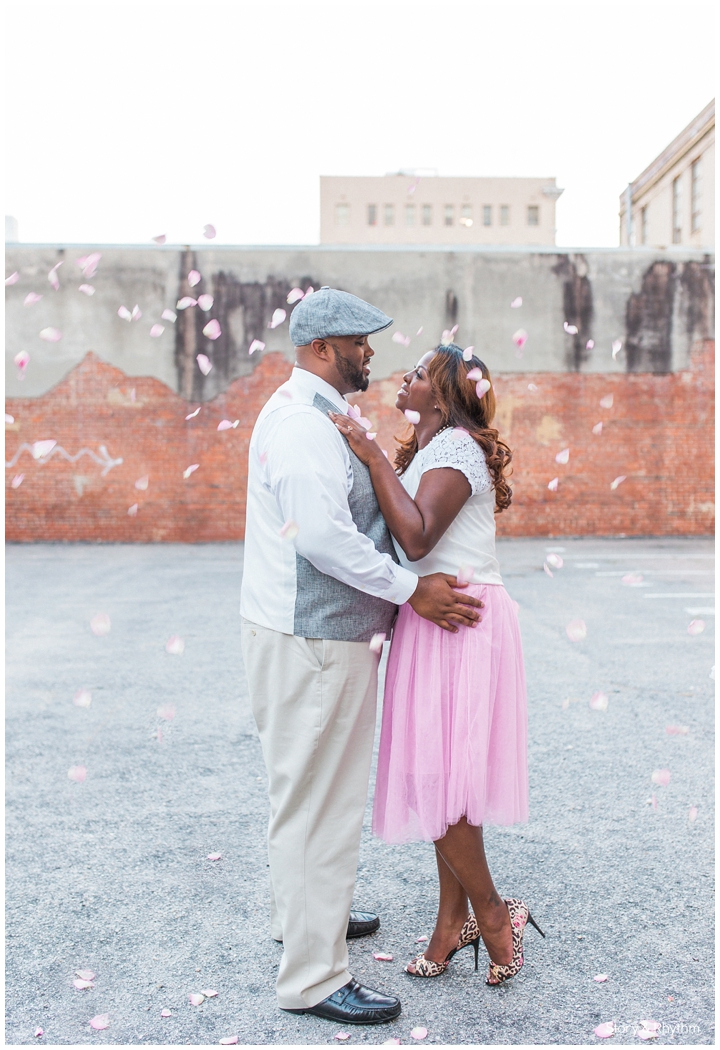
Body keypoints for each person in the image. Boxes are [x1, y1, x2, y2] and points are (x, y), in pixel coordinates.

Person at [240, 291, 484, 1025]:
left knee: (301, 797)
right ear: (321, 350)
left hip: (307, 635)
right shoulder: (301, 427)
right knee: (323, 806)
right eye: (359, 342)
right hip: (315, 640)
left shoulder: (311, 417)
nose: (370, 353)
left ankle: (307, 922)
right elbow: (322, 538)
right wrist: (412, 590)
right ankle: (313, 978)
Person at [329, 343, 544, 987]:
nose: (406, 376)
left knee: (439, 780)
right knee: (443, 779)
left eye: (420, 373)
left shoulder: (454, 448)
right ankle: (451, 921)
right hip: (435, 613)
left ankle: (493, 911)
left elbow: (418, 536)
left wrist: (369, 455)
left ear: (444, 395)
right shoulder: (432, 449)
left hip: (459, 616)